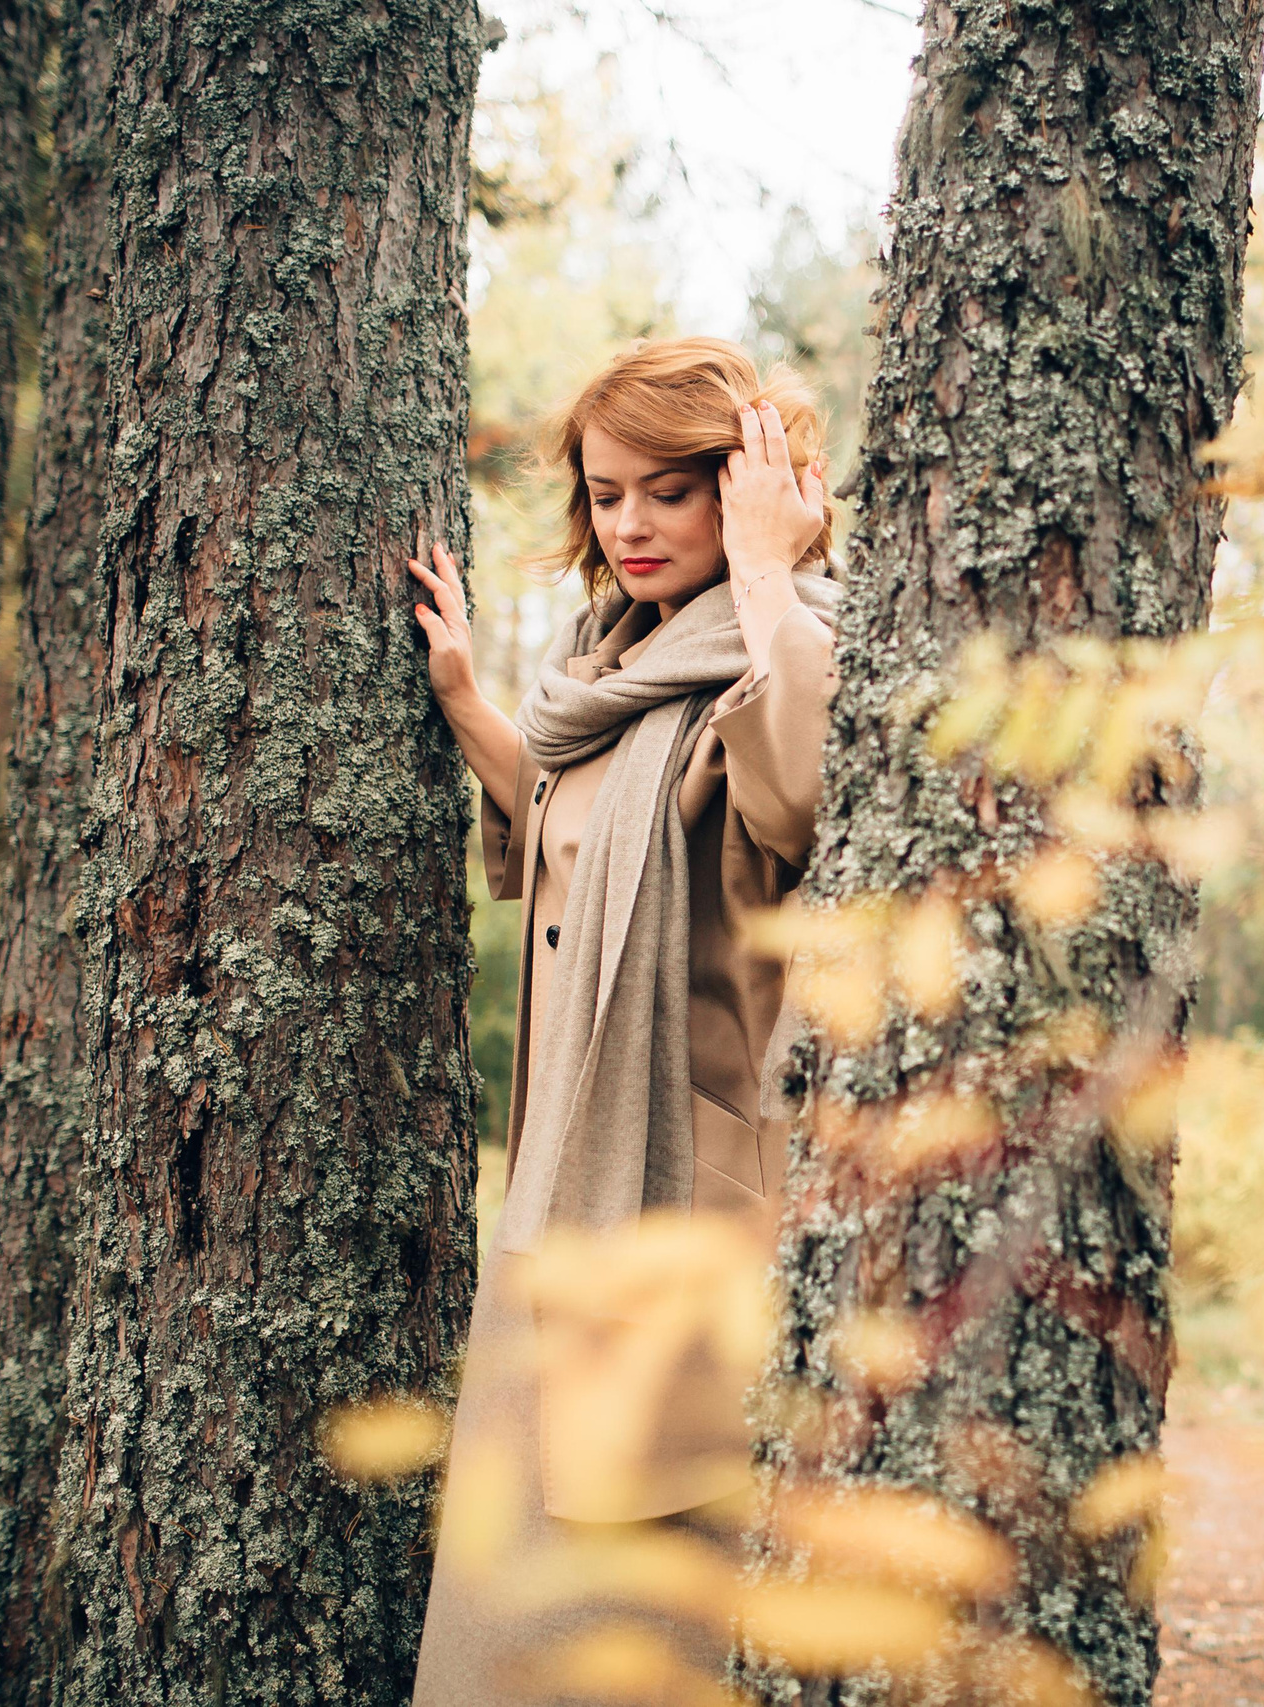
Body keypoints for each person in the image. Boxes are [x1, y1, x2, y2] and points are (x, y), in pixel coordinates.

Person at [406, 337, 841, 1704]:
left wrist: (772, 567)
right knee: (526, 1583)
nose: (633, 524)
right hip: (565, 1183)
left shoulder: (793, 639)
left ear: (750, 486)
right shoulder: (613, 666)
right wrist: (468, 699)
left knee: (644, 1596)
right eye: (607, 495)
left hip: (684, 1206)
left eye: (673, 489)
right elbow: (566, 816)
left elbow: (804, 800)